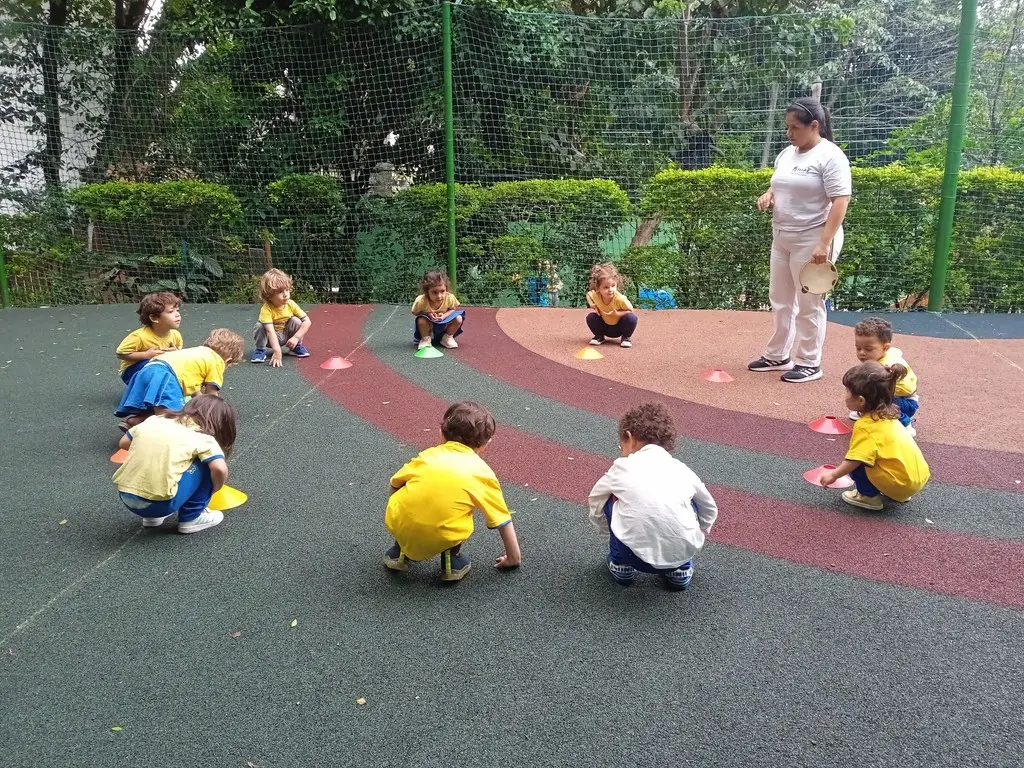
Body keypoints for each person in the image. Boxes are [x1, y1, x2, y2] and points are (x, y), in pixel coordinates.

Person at [748, 97, 852, 383]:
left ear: (814, 126)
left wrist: (823, 243)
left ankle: (809, 362)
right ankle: (778, 355)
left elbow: (841, 200)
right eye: (787, 127)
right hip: (782, 236)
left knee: (809, 303)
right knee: (781, 299)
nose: (789, 133)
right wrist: (769, 195)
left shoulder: (831, 156)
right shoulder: (787, 153)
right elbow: (779, 182)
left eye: (795, 127)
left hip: (813, 238)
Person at [383, 401, 521, 582]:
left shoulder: (427, 456)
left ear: (441, 433)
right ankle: (451, 563)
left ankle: (399, 552)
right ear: (485, 444)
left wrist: (401, 513)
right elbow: (502, 520)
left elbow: (394, 483)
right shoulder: (483, 473)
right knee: (456, 511)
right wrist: (513, 558)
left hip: (397, 522)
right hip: (443, 533)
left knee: (410, 500)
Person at [588, 402, 718, 590]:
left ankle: (621, 565)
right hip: (681, 551)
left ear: (629, 438)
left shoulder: (621, 468)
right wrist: (702, 528)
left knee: (610, 499)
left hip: (631, 554)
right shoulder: (681, 470)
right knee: (689, 503)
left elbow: (595, 500)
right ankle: (680, 570)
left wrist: (605, 529)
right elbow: (709, 506)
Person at [113, 395, 236, 534]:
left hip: (127, 497)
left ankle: (151, 518)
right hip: (161, 504)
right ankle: (192, 517)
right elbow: (219, 469)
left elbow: (123, 443)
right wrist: (215, 487)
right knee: (206, 463)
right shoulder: (203, 437)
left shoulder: (155, 420)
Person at [819, 361, 930, 511]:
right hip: (917, 480)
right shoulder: (891, 415)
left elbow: (855, 459)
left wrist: (834, 475)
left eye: (847, 391)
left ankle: (867, 497)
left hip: (899, 484)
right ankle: (897, 492)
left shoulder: (866, 426)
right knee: (879, 454)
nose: (845, 395)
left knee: (861, 460)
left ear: (861, 400)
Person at [115, 328, 245, 431]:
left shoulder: (197, 353)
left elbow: (197, 395)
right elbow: (211, 396)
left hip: (147, 369)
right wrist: (213, 418)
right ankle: (156, 437)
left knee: (159, 406)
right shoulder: (217, 361)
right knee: (171, 415)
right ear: (228, 360)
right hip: (165, 374)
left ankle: (135, 422)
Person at [852, 317, 920, 436]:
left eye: (868, 349)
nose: (862, 352)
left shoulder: (888, 365)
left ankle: (904, 421)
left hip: (905, 404)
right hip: (897, 398)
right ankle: (869, 411)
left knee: (872, 391)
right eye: (858, 348)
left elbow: (906, 388)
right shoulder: (881, 356)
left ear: (885, 347)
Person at [115, 292, 183, 384]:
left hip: (160, 368)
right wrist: (146, 355)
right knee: (155, 366)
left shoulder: (176, 335)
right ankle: (147, 395)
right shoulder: (139, 336)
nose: (177, 315)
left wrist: (175, 353)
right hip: (132, 372)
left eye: (177, 310)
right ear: (154, 318)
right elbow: (121, 353)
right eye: (171, 311)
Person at [250, 268, 312, 366]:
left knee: (296, 321)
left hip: (286, 337)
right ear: (269, 295)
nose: (285, 294)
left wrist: (296, 338)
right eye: (280, 292)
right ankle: (260, 350)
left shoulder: (291, 304)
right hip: (270, 339)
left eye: (287, 290)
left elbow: (307, 321)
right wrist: (277, 351)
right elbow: (270, 331)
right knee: (260, 326)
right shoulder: (266, 309)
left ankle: (295, 347)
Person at [585, 262, 637, 348]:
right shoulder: (596, 295)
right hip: (605, 327)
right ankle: (599, 337)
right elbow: (588, 294)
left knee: (631, 318)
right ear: (598, 288)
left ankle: (626, 338)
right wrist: (591, 304)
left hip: (619, 327)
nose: (610, 290)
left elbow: (631, 310)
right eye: (606, 287)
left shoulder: (620, 299)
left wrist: (618, 314)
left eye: (613, 286)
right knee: (591, 317)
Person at [412, 270, 464, 350]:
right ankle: (425, 339)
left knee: (458, 318)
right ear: (427, 292)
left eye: (442, 291)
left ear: (446, 289)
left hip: (444, 322)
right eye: (434, 292)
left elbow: (453, 309)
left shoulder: (449, 298)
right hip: (429, 324)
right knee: (421, 320)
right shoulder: (421, 301)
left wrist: (444, 316)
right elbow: (415, 312)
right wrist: (428, 313)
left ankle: (447, 338)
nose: (439, 296)